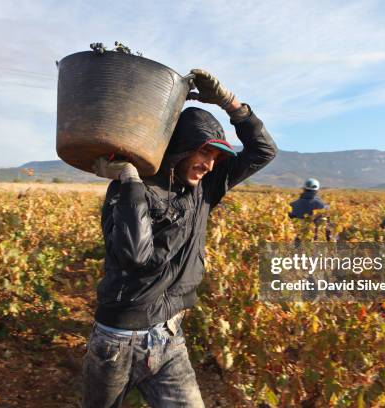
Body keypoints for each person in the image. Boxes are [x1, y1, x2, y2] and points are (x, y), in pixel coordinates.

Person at [82, 68, 277, 408]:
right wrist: (129, 181)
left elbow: (263, 151)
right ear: (180, 148)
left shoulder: (205, 189)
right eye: (204, 153)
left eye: (216, 157)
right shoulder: (132, 189)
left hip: (170, 337)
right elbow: (134, 256)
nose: (210, 165)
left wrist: (231, 105)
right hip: (118, 341)